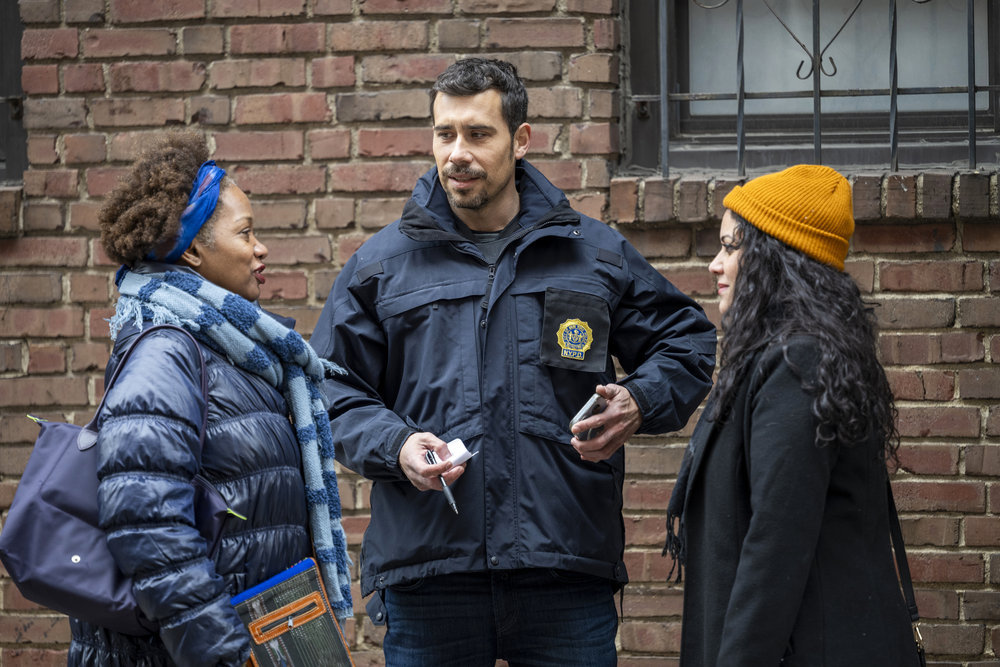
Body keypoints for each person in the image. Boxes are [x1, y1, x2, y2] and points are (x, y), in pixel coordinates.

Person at [309, 57, 716, 665]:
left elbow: (686, 342)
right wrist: (394, 444)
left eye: (478, 134)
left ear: (520, 140)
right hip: (431, 574)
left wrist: (639, 400)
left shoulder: (594, 254)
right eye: (445, 134)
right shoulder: (380, 266)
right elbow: (329, 392)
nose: (457, 153)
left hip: (563, 567)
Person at [67, 133, 352, 666]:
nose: (261, 247)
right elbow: (145, 523)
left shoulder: (233, 353)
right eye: (246, 233)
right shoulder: (167, 351)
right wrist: (222, 651)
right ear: (193, 248)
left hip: (266, 634)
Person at [665, 164, 923, 666]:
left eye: (731, 246)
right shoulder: (784, 356)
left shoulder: (798, 363)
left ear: (774, 258)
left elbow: (775, 550)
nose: (715, 265)